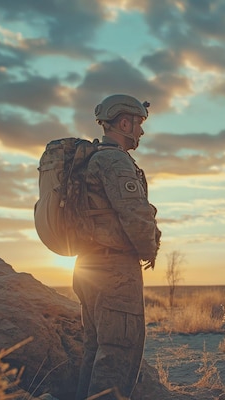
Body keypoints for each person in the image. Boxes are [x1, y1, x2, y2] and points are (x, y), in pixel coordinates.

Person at [73, 94, 160, 400]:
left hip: (88, 265)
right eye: (138, 124)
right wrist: (150, 248)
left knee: (96, 348)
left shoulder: (91, 160)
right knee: (118, 352)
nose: (141, 132)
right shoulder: (115, 161)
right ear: (124, 123)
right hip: (114, 270)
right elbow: (135, 214)